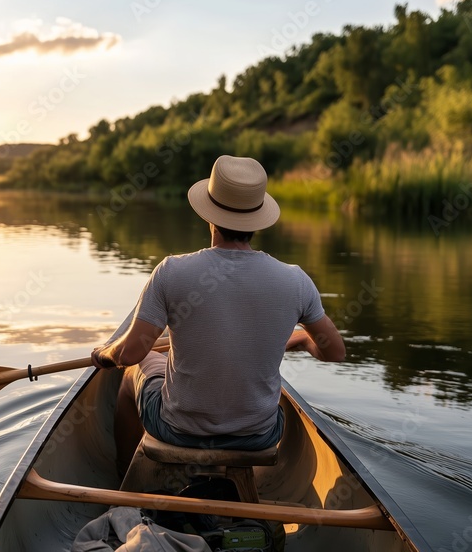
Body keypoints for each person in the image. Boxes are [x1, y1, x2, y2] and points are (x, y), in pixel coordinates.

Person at [91, 155, 346, 473]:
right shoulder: (296, 280)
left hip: (179, 431)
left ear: (208, 216)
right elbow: (335, 351)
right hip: (259, 436)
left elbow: (131, 352)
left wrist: (104, 354)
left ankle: (124, 478)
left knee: (133, 372)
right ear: (257, 219)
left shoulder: (172, 271)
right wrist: (306, 340)